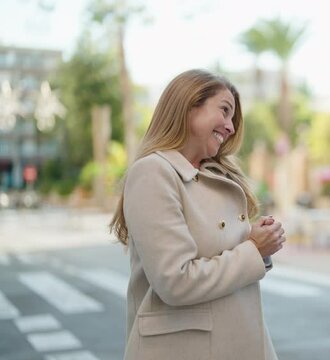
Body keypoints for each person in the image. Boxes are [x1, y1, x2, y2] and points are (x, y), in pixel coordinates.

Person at [110, 69, 285, 360]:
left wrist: (254, 239)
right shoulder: (153, 172)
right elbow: (175, 282)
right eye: (225, 111)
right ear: (190, 105)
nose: (230, 127)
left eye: (233, 119)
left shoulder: (214, 175)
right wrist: (254, 250)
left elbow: (220, 255)